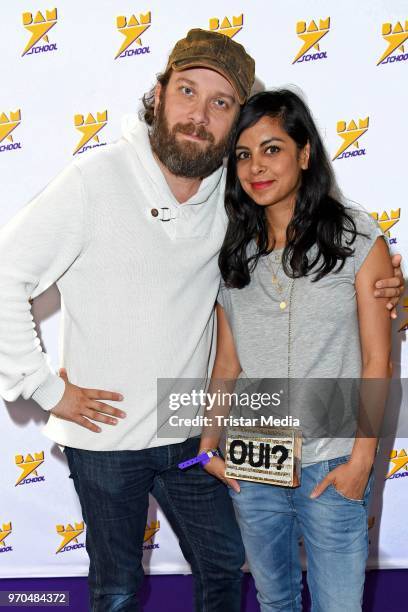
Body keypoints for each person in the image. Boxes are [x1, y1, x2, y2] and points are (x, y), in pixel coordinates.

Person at [0, 29, 402, 612]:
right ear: (160, 94)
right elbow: (7, 274)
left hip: (194, 436)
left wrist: (385, 283)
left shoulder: (233, 200)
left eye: (221, 104)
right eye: (187, 91)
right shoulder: (93, 181)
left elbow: (319, 282)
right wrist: (42, 388)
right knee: (116, 587)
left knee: (222, 569)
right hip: (106, 440)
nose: (199, 114)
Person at [199, 89, 395, 611]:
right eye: (243, 154)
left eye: (272, 149)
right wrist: (207, 444)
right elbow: (227, 363)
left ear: (305, 153)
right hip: (254, 459)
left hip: (332, 460)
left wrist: (363, 460)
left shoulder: (359, 240)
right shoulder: (234, 254)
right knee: (274, 601)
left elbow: (378, 361)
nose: (255, 167)